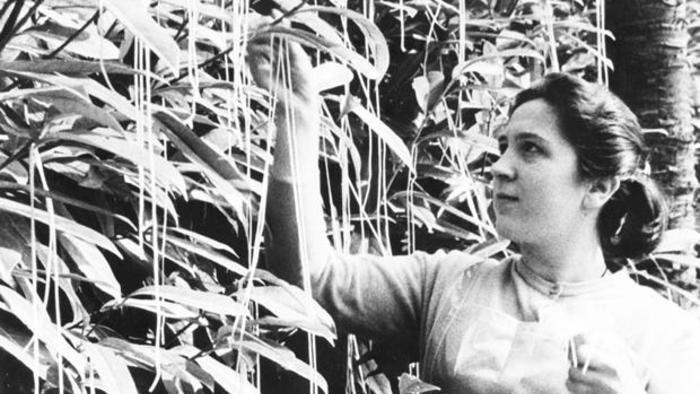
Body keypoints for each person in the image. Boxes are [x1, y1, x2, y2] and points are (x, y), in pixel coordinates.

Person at [248, 37, 700, 394]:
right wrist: (296, 122)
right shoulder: (446, 283)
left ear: (598, 186)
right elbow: (310, 280)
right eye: (504, 145)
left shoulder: (667, 336)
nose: (500, 166)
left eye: (531, 149)